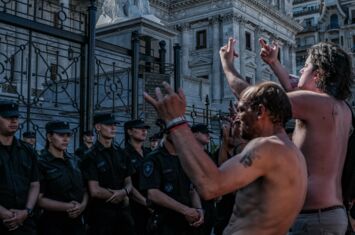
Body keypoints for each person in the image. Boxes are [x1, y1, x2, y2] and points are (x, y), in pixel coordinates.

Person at [219, 37, 353, 234]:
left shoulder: (315, 103)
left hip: (313, 218)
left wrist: (227, 65)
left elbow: (251, 98)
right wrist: (274, 63)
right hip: (332, 214)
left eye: (305, 66)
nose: (300, 70)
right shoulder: (343, 109)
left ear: (319, 74)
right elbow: (293, 90)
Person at [144, 81, 308, 235]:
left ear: (260, 111)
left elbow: (210, 186)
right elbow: (227, 184)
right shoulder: (289, 151)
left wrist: (176, 121)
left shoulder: (267, 148)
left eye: (242, 110)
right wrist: (231, 145)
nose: (237, 117)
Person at [81, 112, 136, 235]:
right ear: (98, 127)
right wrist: (118, 195)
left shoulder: (122, 154)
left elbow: (129, 183)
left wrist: (123, 192)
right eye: (109, 125)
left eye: (114, 125)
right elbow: (94, 190)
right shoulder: (90, 156)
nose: (113, 128)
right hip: (101, 216)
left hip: (123, 215)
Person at [140, 132, 204, 235]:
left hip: (187, 224)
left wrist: (199, 209)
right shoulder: (154, 158)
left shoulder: (185, 158)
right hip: (165, 223)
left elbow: (192, 189)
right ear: (166, 132)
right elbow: (153, 193)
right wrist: (185, 210)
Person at [37, 121, 88, 235]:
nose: (66, 139)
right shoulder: (41, 163)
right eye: (60, 135)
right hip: (52, 224)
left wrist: (82, 206)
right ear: (49, 137)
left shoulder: (75, 160)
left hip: (77, 223)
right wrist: (69, 207)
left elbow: (85, 188)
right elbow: (39, 199)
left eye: (68, 135)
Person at [0, 100, 40, 234]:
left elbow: (35, 184)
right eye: (7, 117)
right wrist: (3, 212)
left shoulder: (28, 150)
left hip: (25, 222)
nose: (13, 121)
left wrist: (26, 211)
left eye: (16, 117)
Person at [123, 119, 152, 235]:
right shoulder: (124, 154)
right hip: (134, 207)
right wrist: (145, 203)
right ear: (129, 131)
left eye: (145, 129)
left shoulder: (149, 153)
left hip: (153, 205)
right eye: (140, 128)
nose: (144, 131)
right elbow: (127, 184)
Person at [191, 123, 217, 235]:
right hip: (195, 204)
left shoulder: (208, 154)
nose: (208, 135)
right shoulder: (189, 154)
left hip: (210, 203)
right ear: (195, 135)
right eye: (204, 133)